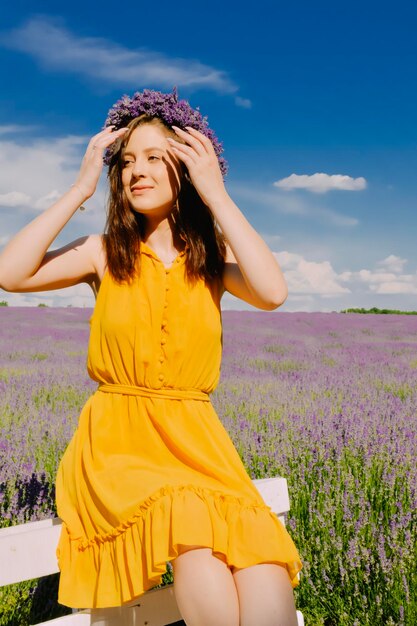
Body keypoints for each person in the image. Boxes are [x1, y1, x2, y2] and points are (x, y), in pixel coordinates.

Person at [0, 89, 302, 625]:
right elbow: (11, 272)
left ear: (187, 166)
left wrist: (217, 195)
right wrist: (80, 187)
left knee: (265, 564)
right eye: (126, 161)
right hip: (121, 443)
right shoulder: (103, 252)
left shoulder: (211, 261)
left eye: (155, 157)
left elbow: (273, 292)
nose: (136, 171)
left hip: (200, 442)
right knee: (193, 539)